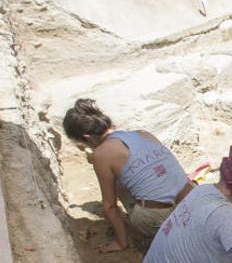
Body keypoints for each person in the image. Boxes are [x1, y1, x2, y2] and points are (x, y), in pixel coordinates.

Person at [63, 99, 194, 252]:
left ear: (87, 137)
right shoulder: (143, 133)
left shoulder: (102, 154)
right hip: (194, 200)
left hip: (161, 215)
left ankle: (160, 236)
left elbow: (110, 206)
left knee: (117, 184)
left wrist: (121, 242)